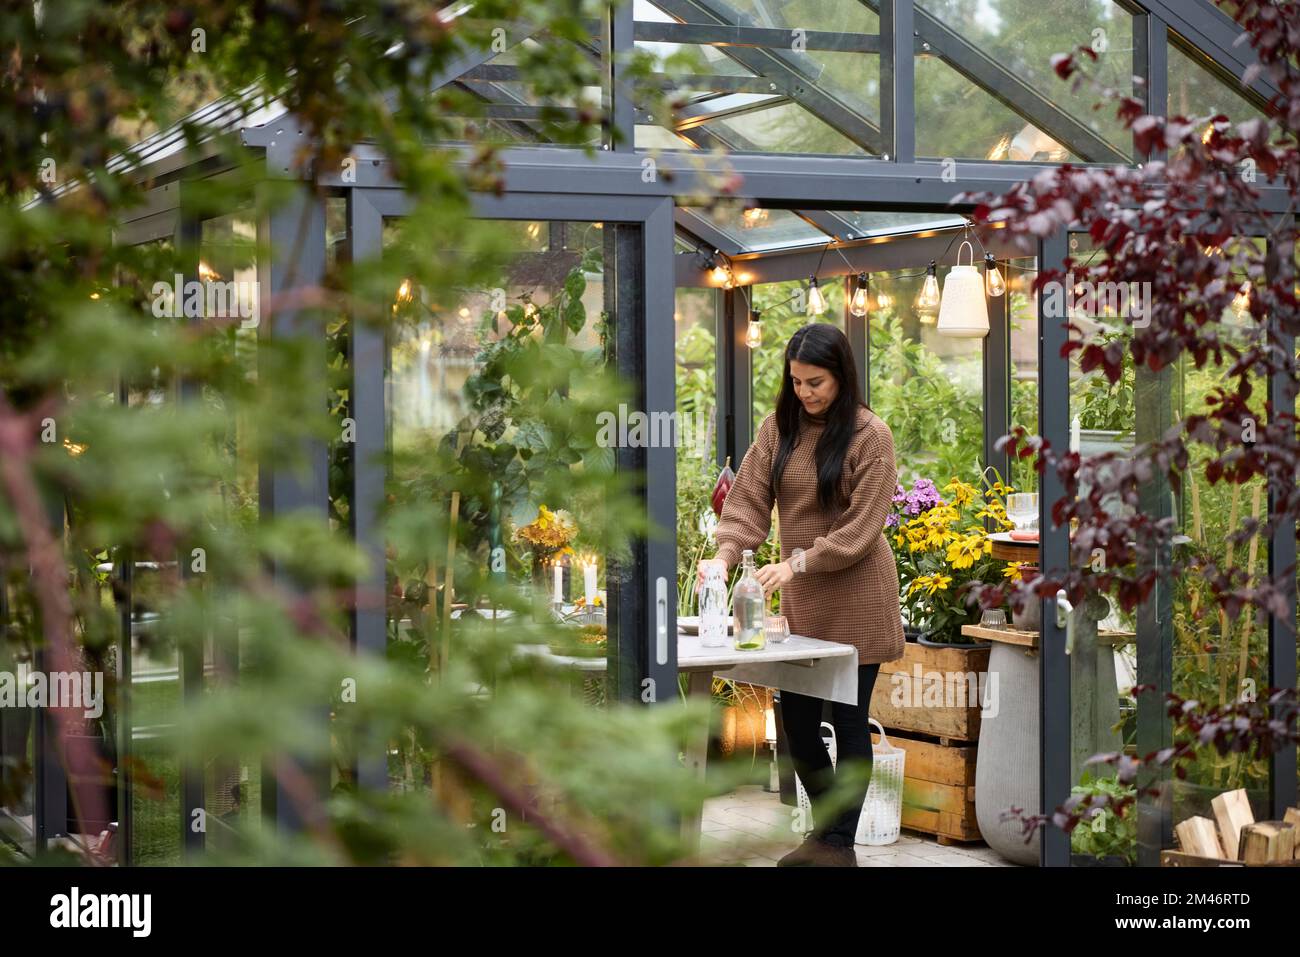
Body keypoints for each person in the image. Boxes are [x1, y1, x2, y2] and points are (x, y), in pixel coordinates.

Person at [700, 322, 904, 866]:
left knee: (848, 717)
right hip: (805, 603)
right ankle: (826, 838)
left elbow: (863, 529)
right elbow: (745, 504)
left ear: (842, 376)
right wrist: (721, 560)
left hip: (859, 596)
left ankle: (838, 846)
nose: (805, 393)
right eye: (795, 382)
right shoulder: (777, 430)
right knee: (795, 722)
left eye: (816, 382)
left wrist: (797, 562)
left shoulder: (870, 435)